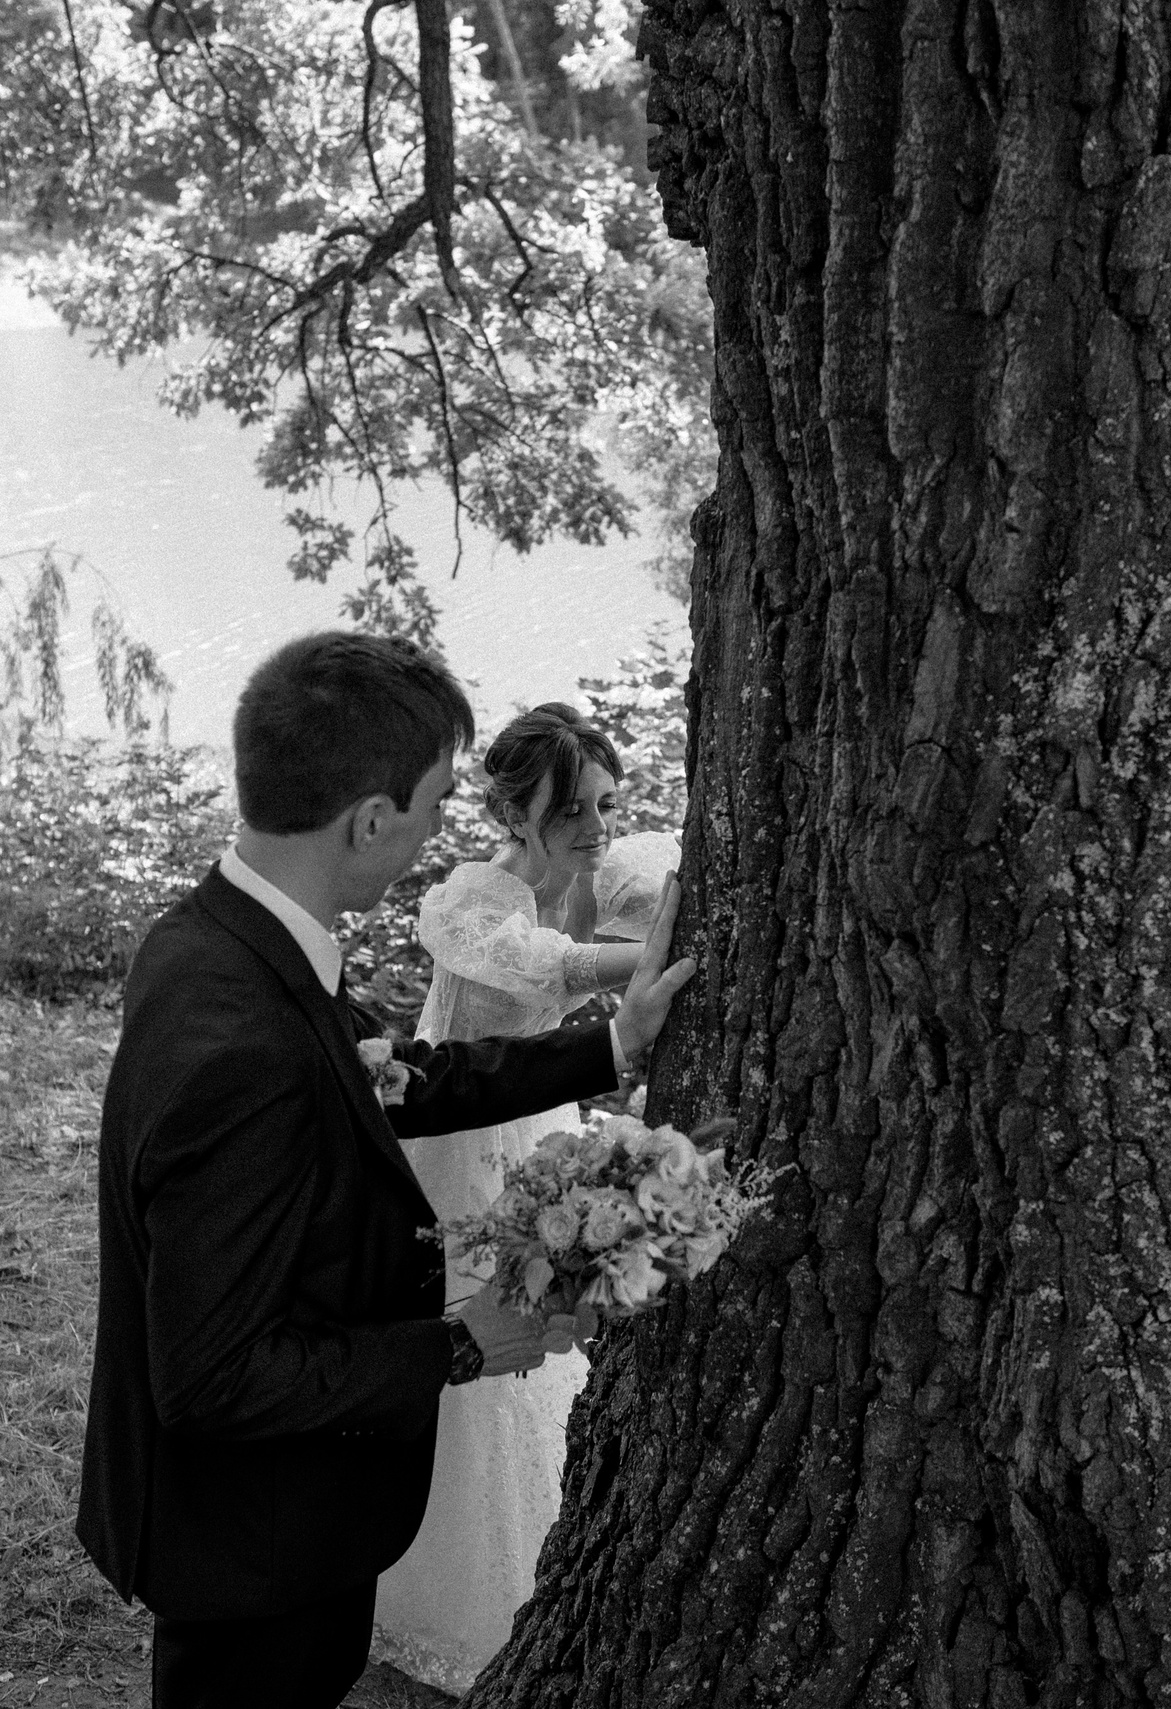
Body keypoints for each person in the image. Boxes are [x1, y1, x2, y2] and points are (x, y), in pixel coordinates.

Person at [75, 637, 696, 1709]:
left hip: (276, 1516)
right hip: (253, 1534)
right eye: (429, 804)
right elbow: (214, 1375)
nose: (432, 832)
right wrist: (463, 1341)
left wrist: (612, 1044)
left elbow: (396, 1077)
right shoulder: (240, 1040)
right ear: (370, 818)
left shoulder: (213, 937)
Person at [371, 702, 681, 1691]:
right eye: (569, 811)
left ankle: (527, 1565)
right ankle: (425, 1589)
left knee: (531, 1355)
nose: (592, 828)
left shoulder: (574, 884)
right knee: (469, 1345)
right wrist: (678, 952)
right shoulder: (473, 891)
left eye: (602, 805)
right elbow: (542, 967)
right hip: (451, 1146)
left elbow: (576, 946)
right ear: (514, 810)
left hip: (520, 1135)